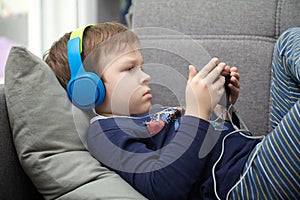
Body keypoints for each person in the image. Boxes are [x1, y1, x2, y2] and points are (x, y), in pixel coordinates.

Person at [43, 23, 299, 200]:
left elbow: (217, 146)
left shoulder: (155, 113)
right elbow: (164, 187)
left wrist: (222, 107)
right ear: (89, 89)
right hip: (242, 184)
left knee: (288, 43)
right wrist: (197, 112)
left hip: (257, 154)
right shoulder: (105, 134)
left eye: (141, 66)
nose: (145, 76)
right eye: (129, 68)